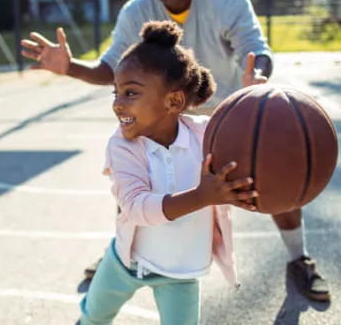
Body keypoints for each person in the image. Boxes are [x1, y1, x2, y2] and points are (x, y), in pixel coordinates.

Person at [21, 0, 330, 302]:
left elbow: (256, 49)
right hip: (161, 114)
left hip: (226, 113)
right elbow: (110, 68)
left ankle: (298, 256)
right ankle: (122, 254)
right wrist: (71, 66)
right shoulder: (136, 11)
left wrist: (255, 78)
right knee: (134, 180)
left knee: (273, 173)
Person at [79, 20, 258, 324]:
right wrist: (202, 196)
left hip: (180, 271)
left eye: (131, 93)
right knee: (93, 317)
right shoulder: (123, 146)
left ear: (174, 101)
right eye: (116, 93)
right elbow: (136, 207)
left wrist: (254, 104)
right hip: (127, 262)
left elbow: (246, 144)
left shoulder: (205, 136)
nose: (118, 105)